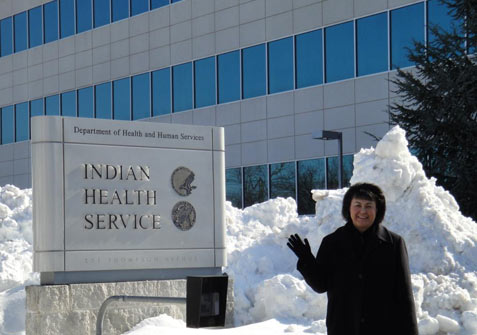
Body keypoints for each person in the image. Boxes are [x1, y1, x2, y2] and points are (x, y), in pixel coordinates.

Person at [287, 182, 418, 335]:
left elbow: (404, 297)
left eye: (369, 206)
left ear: (378, 210)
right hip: (343, 327)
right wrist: (307, 260)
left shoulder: (393, 244)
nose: (363, 211)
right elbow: (321, 285)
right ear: (348, 208)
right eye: (357, 205)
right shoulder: (332, 242)